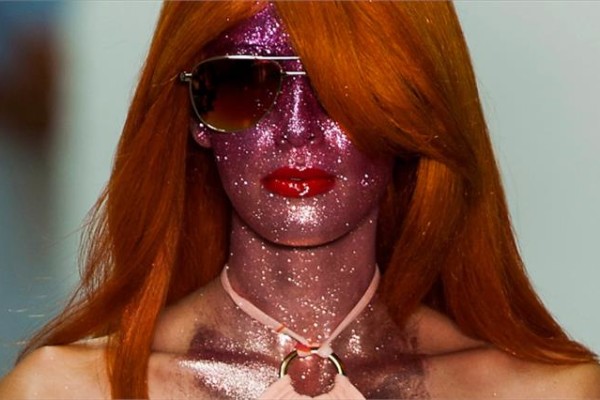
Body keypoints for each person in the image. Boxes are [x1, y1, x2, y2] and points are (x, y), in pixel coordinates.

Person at [1, 2, 599, 399]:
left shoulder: (546, 392)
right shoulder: (63, 391)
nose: (296, 132)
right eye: (241, 83)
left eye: (342, 90)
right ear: (195, 116)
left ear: (409, 111)